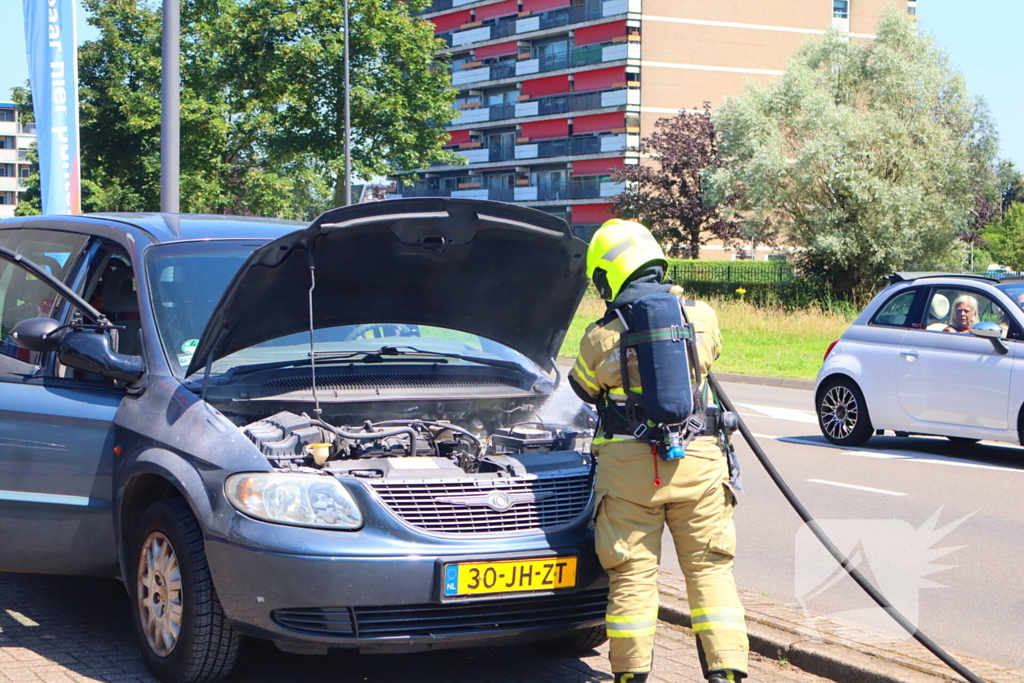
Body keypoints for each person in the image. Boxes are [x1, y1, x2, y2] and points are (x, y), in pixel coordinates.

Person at [568, 219, 748, 683]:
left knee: (632, 576)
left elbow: (584, 388)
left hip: (630, 475)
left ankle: (631, 675)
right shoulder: (701, 317)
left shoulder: (599, 336)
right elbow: (712, 358)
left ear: (607, 276)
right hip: (699, 464)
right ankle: (726, 671)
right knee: (709, 569)